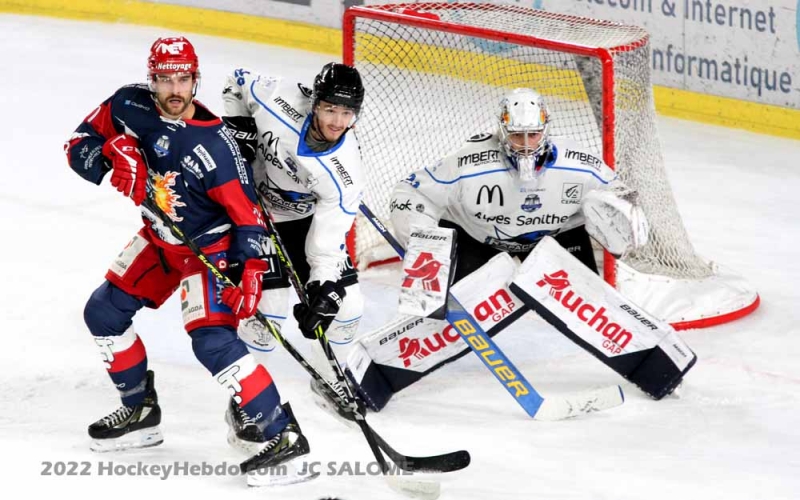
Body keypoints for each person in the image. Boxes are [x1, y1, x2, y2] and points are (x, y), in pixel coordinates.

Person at [64, 36, 311, 480]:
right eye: (164, 79)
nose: (174, 90)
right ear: (151, 79)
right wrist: (105, 158)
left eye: (183, 79)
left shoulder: (216, 146)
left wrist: (252, 268)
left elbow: (250, 214)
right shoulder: (129, 105)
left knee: (213, 341)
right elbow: (77, 144)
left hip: (209, 252)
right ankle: (139, 410)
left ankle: (283, 436)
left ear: (196, 80)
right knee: (102, 313)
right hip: (160, 239)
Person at [348, 87, 649, 410]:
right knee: (448, 310)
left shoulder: (581, 165)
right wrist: (424, 245)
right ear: (502, 131)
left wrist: (620, 216)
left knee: (590, 304)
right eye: (517, 136)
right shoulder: (468, 163)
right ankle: (380, 372)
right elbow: (410, 191)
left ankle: (652, 361)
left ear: (546, 129)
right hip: (480, 240)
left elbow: (622, 197)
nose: (526, 144)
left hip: (555, 238)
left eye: (533, 134)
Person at [220, 64, 365, 378]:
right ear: (314, 103)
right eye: (330, 110)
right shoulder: (278, 97)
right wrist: (238, 127)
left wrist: (322, 286)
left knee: (348, 306)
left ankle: (330, 378)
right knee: (268, 309)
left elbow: (326, 246)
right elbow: (238, 80)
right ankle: (247, 400)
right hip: (249, 210)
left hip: (301, 221)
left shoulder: (347, 174)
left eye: (346, 113)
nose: (337, 122)